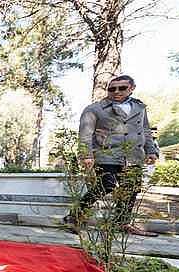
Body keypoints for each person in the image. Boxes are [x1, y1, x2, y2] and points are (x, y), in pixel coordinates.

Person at [64, 75, 158, 236]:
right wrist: (86, 155)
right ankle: (73, 217)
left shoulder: (139, 108)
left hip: (133, 155)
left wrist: (151, 150)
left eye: (122, 88)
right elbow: (85, 134)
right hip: (107, 154)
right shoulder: (95, 109)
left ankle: (122, 223)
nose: (116, 91)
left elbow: (146, 130)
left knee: (131, 189)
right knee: (105, 185)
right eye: (112, 88)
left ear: (131, 88)